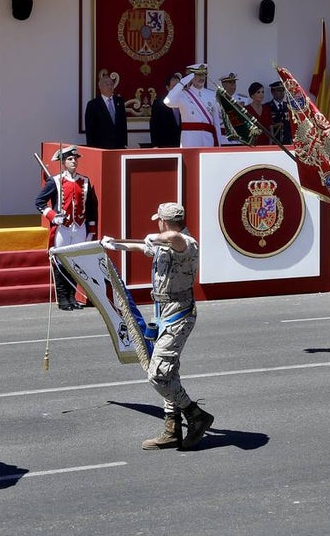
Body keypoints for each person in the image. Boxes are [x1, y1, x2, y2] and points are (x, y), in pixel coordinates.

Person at [101, 202, 213, 451]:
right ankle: (172, 428)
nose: (157, 225)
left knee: (158, 374)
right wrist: (117, 245)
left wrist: (157, 236)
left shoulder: (186, 243)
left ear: (164, 222)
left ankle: (195, 415)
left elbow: (174, 237)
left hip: (179, 314)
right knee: (169, 372)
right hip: (162, 313)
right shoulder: (165, 243)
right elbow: (144, 247)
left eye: (158, 221)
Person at [35, 146, 96, 311]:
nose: (74, 161)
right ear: (63, 162)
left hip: (80, 227)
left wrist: (91, 230)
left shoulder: (85, 181)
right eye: (70, 159)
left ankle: (72, 297)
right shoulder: (55, 181)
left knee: (75, 262)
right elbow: (39, 202)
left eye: (75, 159)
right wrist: (54, 216)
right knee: (60, 262)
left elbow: (91, 207)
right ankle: (63, 299)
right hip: (63, 228)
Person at [164, 63, 224, 147]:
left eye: (203, 74)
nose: (202, 77)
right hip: (190, 139)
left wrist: (219, 145)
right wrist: (182, 83)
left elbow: (216, 123)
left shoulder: (212, 94)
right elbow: (167, 102)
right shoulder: (182, 94)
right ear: (191, 77)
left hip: (208, 138)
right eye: (198, 74)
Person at [84, 71, 128, 149]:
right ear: (100, 87)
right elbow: (90, 129)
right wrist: (92, 148)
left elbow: (123, 123)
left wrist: (124, 142)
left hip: (118, 145)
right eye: (107, 84)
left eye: (111, 84)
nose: (110, 86)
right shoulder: (93, 104)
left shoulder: (119, 101)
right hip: (101, 146)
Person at [150, 72, 183, 148]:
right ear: (168, 88)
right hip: (165, 144)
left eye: (179, 87)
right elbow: (154, 125)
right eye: (174, 86)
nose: (177, 89)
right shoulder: (159, 103)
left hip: (183, 143)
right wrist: (155, 145)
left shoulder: (186, 101)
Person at [266, 80, 292, 145]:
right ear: (272, 92)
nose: (281, 93)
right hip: (274, 142)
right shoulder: (267, 107)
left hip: (287, 142)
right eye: (278, 90)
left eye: (283, 90)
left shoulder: (289, 107)